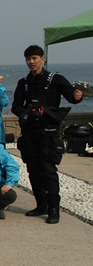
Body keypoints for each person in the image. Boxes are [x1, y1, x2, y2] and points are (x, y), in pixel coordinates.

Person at [11, 45, 83, 224]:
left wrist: (78, 96)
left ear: (42, 58)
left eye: (34, 58)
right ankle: (41, 205)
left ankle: (53, 209)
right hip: (29, 133)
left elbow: (71, 96)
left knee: (48, 170)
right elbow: (15, 106)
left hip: (48, 132)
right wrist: (28, 112)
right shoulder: (23, 83)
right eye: (28, 59)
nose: (31, 62)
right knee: (33, 170)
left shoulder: (55, 79)